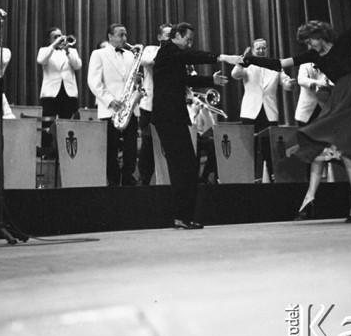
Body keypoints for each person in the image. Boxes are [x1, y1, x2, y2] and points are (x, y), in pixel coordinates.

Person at [243, 4, 351, 222]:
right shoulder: (312, 55)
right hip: (339, 95)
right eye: (307, 42)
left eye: (311, 40)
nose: (310, 45)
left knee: (347, 148)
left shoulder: (342, 41)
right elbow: (280, 63)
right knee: (335, 144)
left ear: (320, 35)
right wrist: (252, 59)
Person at [152, 22, 242, 229]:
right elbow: (191, 56)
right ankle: (181, 217)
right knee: (182, 166)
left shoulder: (174, 55)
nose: (189, 43)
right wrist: (221, 57)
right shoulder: (167, 50)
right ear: (176, 35)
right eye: (187, 39)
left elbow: (183, 79)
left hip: (174, 116)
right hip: (168, 117)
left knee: (186, 166)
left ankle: (183, 217)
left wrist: (210, 80)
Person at [231, 38, 295, 179]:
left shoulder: (275, 65)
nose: (260, 51)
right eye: (258, 48)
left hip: (269, 111)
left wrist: (289, 83)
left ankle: (272, 176)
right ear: (253, 50)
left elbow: (285, 81)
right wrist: (242, 61)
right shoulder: (247, 64)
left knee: (269, 147)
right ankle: (250, 176)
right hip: (250, 110)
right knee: (249, 146)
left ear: (267, 49)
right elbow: (235, 75)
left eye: (263, 48)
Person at [88, 24, 142, 187]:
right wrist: (110, 100)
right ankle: (113, 178)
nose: (124, 39)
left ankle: (128, 176)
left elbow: (131, 80)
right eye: (120, 35)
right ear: (110, 37)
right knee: (111, 147)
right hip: (109, 107)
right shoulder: (98, 54)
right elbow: (94, 81)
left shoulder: (130, 55)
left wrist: (138, 81)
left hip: (129, 107)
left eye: (125, 35)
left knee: (130, 145)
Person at [136, 23, 172, 186]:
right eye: (167, 35)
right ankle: (144, 179)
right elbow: (147, 61)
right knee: (148, 143)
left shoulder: (177, 53)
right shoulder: (150, 49)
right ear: (159, 37)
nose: (170, 38)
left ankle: (166, 180)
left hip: (168, 105)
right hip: (149, 105)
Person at [37, 27, 82, 119]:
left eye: (60, 36)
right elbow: (41, 60)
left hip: (68, 93)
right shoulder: (45, 50)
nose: (59, 38)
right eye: (55, 37)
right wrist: (54, 45)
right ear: (49, 40)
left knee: (68, 124)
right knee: (48, 123)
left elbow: (78, 66)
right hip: (51, 93)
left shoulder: (72, 51)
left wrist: (67, 51)